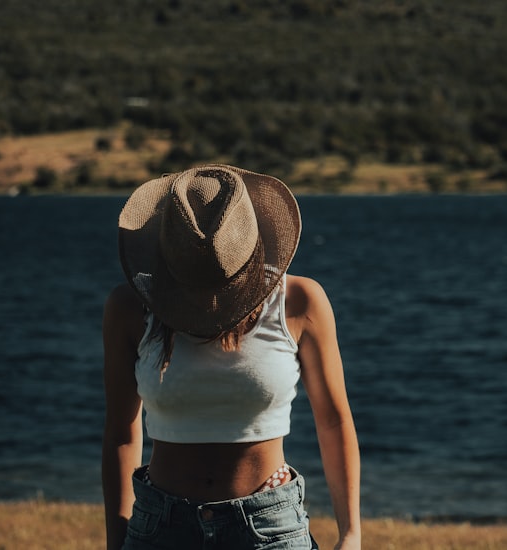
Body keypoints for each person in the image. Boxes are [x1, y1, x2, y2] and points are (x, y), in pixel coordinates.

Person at [102, 164, 361, 550]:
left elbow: (334, 420)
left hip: (270, 526)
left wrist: (351, 533)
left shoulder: (299, 302)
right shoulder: (129, 308)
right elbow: (122, 432)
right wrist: (117, 540)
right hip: (160, 529)